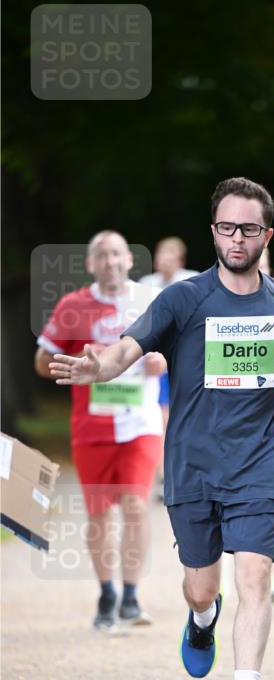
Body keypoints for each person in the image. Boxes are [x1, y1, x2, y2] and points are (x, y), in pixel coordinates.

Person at [49, 177, 274, 680]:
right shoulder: (184, 299)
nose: (236, 237)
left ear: (266, 234)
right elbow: (129, 347)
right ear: (214, 232)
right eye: (226, 226)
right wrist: (98, 368)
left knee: (255, 576)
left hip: (259, 463)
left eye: (248, 228)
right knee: (203, 585)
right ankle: (202, 619)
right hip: (194, 467)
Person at [35, 230, 166, 630]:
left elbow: (177, 351)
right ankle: (106, 593)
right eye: (102, 256)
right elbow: (42, 361)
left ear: (130, 260)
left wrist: (163, 362)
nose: (110, 262)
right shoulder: (74, 305)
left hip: (140, 423)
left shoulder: (148, 302)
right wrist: (77, 364)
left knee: (135, 506)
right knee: (99, 517)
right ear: (92, 264)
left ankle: (130, 596)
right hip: (91, 428)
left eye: (117, 254)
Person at [140, 237, 198, 499]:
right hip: (156, 364)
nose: (165, 261)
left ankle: (187, 474)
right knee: (162, 420)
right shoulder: (145, 285)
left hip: (187, 362)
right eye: (161, 255)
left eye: (171, 256)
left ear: (181, 261)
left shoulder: (194, 282)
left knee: (187, 419)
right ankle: (166, 478)